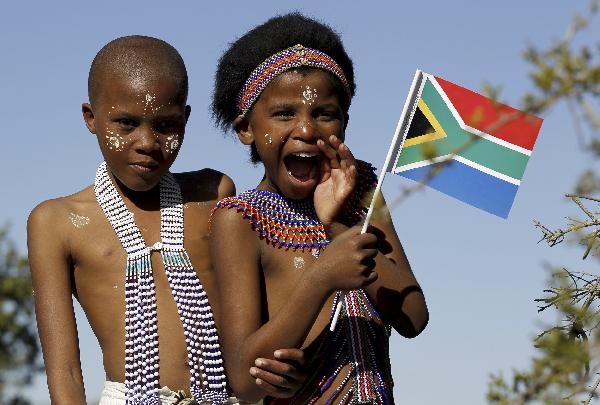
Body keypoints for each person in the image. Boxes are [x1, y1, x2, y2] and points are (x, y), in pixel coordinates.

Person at [27, 35, 306, 405]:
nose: (147, 142)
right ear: (91, 118)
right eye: (126, 123)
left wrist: (281, 371)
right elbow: (65, 372)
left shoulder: (213, 193)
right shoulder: (56, 222)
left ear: (186, 120)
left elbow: (257, 321)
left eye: (165, 125)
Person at [209, 13, 429, 404]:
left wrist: (339, 227)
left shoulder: (362, 193)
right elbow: (243, 382)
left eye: (324, 114)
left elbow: (413, 316)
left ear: (345, 122)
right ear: (247, 129)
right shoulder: (240, 219)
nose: (307, 130)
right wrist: (322, 278)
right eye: (284, 114)